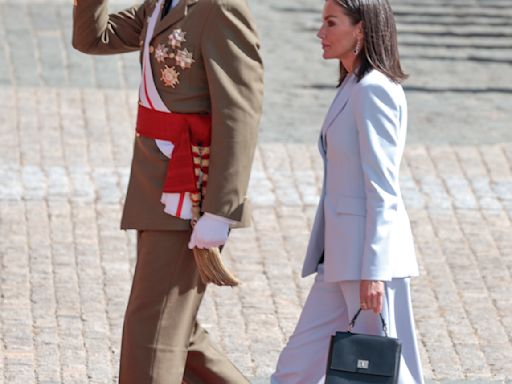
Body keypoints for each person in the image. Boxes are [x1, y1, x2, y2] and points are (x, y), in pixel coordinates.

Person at [72, 0, 263, 383]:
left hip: (189, 191)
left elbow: (240, 110)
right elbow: (94, 37)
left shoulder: (220, 7)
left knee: (152, 331)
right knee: (176, 330)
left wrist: (220, 210)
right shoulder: (162, 3)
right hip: (155, 186)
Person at [271, 0, 424, 383]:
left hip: (365, 262)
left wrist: (376, 270)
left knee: (384, 369)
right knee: (296, 367)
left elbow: (383, 189)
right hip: (339, 257)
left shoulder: (374, 91)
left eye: (330, 23)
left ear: (360, 29)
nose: (320, 32)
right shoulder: (353, 84)